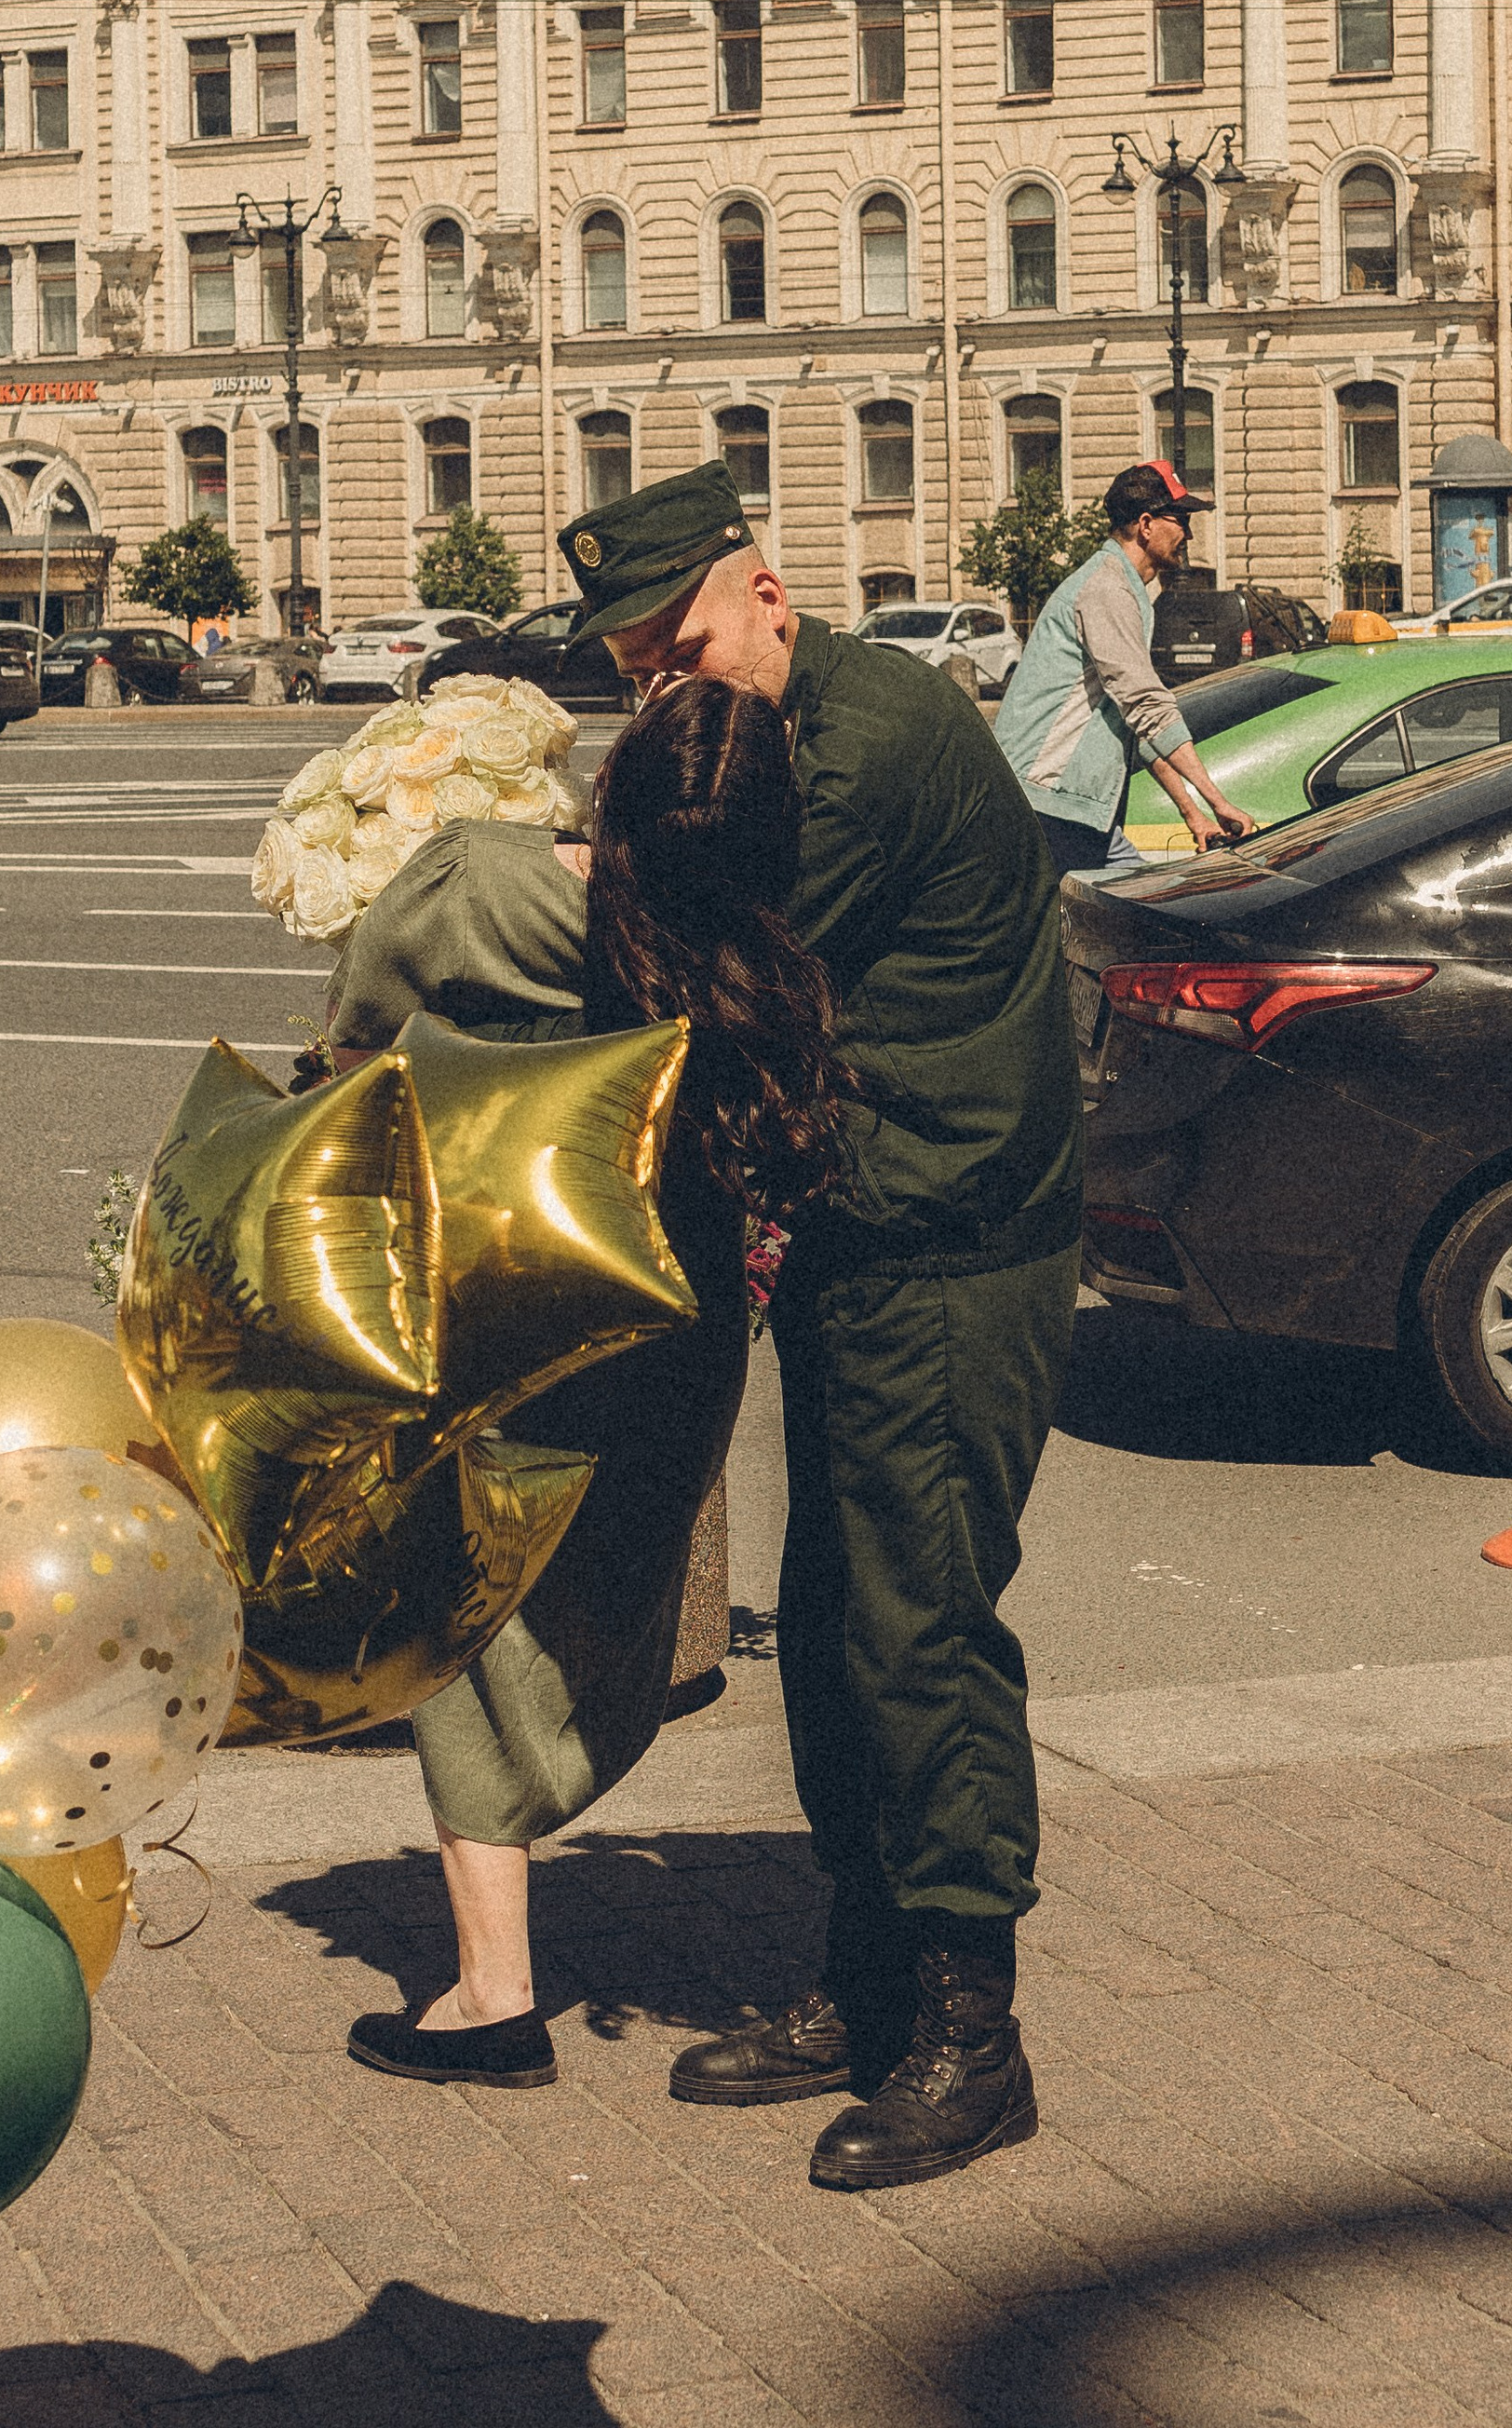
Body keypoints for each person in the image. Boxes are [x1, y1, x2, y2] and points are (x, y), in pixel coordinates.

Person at [553, 459, 1082, 2191]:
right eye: (636, 667)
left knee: (916, 1631)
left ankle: (967, 2035)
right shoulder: (791, 718)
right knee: (850, 1630)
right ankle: (864, 1988)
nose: (664, 687)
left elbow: (686, 979)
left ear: (765, 590)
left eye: (681, 643)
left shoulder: (849, 759)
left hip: (948, 1240)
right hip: (871, 1229)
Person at [331, 677, 853, 2094]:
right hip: (667, 1339)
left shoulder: (480, 892)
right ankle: (551, 1802)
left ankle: (493, 1990)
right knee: (583, 1617)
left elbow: (355, 1033)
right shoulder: (765, 969)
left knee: (459, 1612)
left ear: (612, 796)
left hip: (495, 1310)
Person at [993, 459, 1258, 875]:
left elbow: (1135, 721)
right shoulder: (1105, 589)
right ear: (1147, 524)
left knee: (1129, 919)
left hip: (1076, 807)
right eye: (1181, 520)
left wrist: (1194, 816)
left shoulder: (1124, 589)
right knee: (1108, 925)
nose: (1187, 534)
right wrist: (1218, 801)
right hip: (1046, 803)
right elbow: (1146, 704)